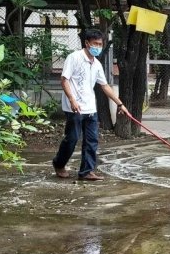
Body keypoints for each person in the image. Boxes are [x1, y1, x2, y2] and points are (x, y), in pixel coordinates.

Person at [52, 29, 124, 181]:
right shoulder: (74, 57)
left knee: (92, 140)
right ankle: (59, 164)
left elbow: (104, 86)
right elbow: (64, 80)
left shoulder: (97, 64)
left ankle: (86, 171)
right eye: (95, 44)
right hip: (74, 107)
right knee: (72, 138)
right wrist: (72, 100)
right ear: (87, 43)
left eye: (100, 44)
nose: (98, 47)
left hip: (90, 107)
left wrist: (119, 104)